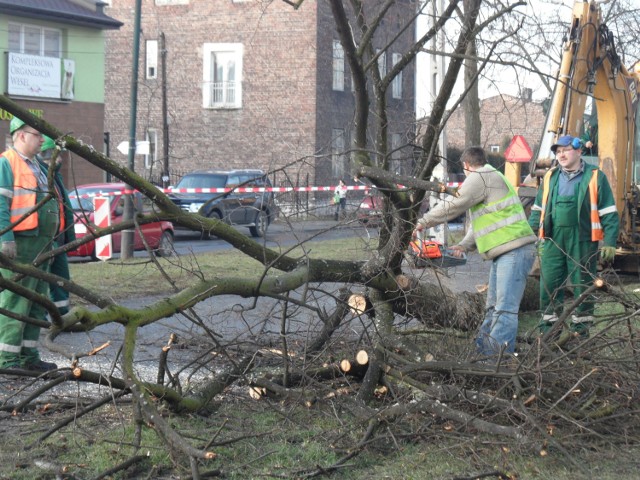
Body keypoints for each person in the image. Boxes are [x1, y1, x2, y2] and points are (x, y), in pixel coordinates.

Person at [414, 146, 536, 357]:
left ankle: (495, 361)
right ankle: (481, 353)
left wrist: (423, 222)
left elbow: (454, 204)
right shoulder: (492, 176)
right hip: (507, 252)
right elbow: (481, 223)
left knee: (504, 310)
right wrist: (463, 245)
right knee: (492, 308)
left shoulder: (480, 176)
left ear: (466, 166)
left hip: (515, 250)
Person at [528, 135, 619, 336]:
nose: (561, 154)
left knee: (583, 285)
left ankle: (581, 332)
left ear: (579, 151)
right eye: (558, 151)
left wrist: (610, 241)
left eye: (565, 150)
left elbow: (609, 212)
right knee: (549, 285)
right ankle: (549, 332)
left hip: (583, 240)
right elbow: (537, 209)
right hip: (552, 238)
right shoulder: (550, 176)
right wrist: (529, 233)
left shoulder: (595, 176)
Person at [0, 117, 64, 372]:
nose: (41, 140)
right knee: (16, 302)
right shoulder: (7, 163)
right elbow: (0, 204)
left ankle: (28, 358)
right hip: (21, 245)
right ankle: (7, 360)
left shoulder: (38, 165)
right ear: (21, 135)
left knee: (37, 303)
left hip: (42, 244)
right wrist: (5, 238)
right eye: (37, 135)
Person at [37, 136, 75, 318]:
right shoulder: (42, 176)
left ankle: (61, 315)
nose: (60, 160)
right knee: (43, 279)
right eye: (57, 155)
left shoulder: (54, 176)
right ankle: (40, 316)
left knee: (60, 279)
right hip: (46, 239)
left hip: (57, 238)